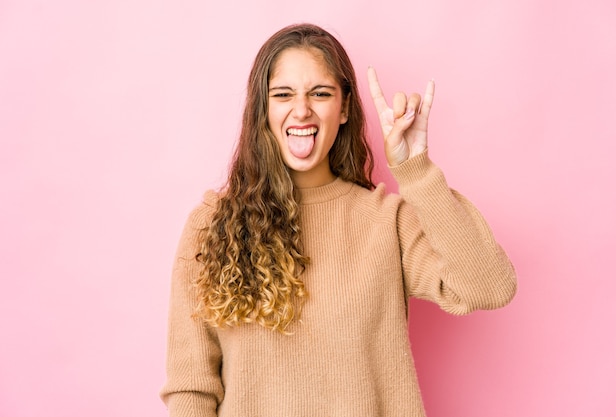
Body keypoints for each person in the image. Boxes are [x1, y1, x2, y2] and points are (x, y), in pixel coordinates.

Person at [160, 23, 517, 417]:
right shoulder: (210, 226)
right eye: (283, 95)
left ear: (344, 108)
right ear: (264, 109)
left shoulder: (387, 222)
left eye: (320, 93)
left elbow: (490, 287)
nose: (302, 110)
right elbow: (191, 389)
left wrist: (416, 170)